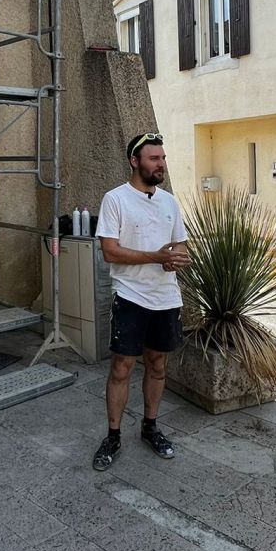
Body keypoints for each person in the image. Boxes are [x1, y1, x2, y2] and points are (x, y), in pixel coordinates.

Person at [91, 133, 189, 471]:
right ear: (135, 161)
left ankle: (150, 427)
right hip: (130, 296)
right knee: (122, 367)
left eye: (162, 158)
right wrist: (155, 257)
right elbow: (110, 251)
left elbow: (180, 245)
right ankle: (113, 436)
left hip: (165, 297)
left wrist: (176, 258)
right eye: (154, 159)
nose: (161, 164)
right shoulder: (115, 199)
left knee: (157, 365)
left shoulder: (169, 202)